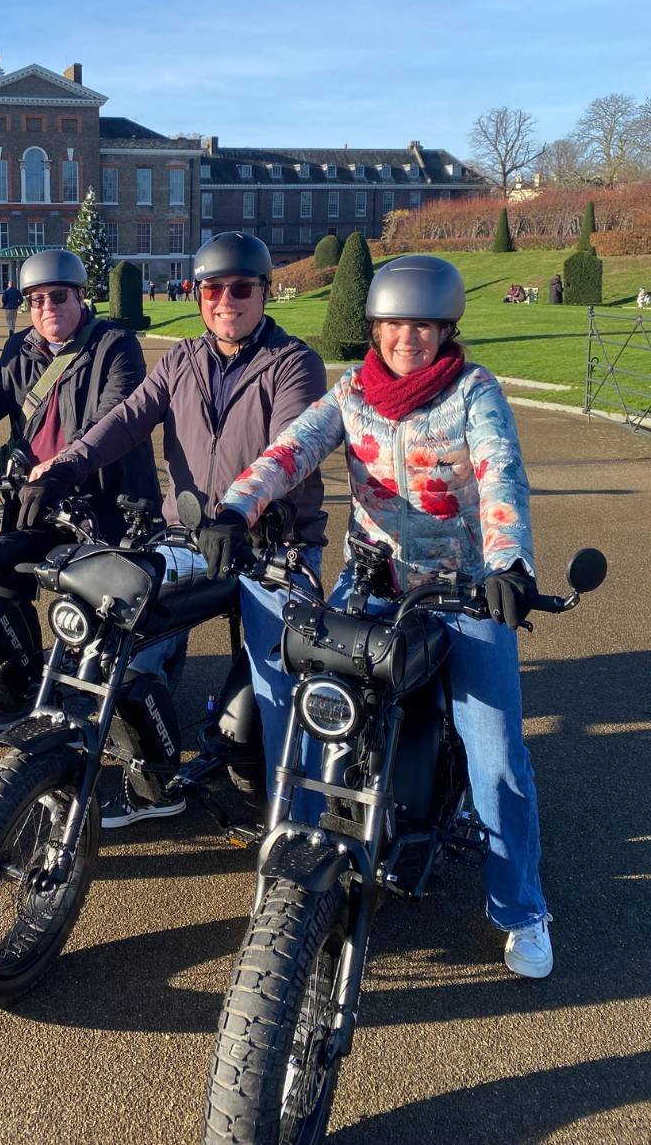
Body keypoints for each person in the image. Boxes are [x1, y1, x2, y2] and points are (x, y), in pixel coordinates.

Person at [200, 254, 553, 979]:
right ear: (375, 327)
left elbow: (500, 471)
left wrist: (510, 562)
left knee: (496, 757)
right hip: (373, 580)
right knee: (315, 710)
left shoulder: (473, 394)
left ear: (446, 329)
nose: (407, 339)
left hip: (462, 590)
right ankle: (301, 865)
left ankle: (521, 908)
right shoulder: (354, 391)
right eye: (394, 324)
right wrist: (237, 506)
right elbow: (291, 448)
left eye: (422, 326)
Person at [17, 232, 328, 828]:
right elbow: (125, 420)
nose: (226, 301)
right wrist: (61, 469)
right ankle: (154, 786)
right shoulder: (181, 359)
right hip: (188, 537)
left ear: (265, 293)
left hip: (273, 545)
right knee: (125, 648)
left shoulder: (292, 364)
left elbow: (293, 450)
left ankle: (299, 825)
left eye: (241, 288)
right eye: (213, 289)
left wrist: (241, 512)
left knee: (270, 696)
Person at [0, 248, 160, 729]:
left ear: (82, 296)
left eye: (58, 296)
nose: (47, 308)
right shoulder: (22, 348)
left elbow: (109, 419)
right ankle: (21, 683)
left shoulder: (114, 345)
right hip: (34, 496)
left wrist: (61, 469)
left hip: (102, 501)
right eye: (36, 299)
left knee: (98, 607)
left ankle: (101, 698)